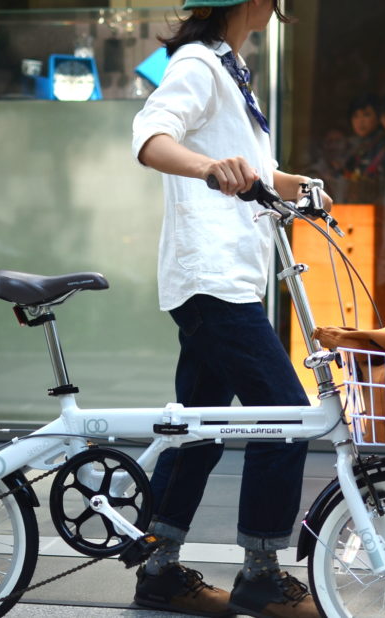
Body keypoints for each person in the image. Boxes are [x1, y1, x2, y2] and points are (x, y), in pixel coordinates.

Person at [130, 1, 330, 616]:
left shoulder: (231, 67)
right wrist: (209, 167)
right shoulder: (196, 63)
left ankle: (159, 571)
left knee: (198, 433)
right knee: (288, 419)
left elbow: (251, 169)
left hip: (227, 282)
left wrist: (297, 186)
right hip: (210, 282)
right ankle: (262, 575)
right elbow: (150, 136)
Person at [342, 93, 385, 205]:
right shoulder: (351, 149)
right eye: (356, 116)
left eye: (366, 115)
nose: (360, 121)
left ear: (378, 118)